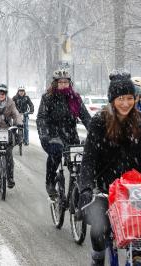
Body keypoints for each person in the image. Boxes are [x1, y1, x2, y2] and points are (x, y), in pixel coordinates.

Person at [78, 71, 141, 265]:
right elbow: (89, 160)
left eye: (130, 98)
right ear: (112, 100)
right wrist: (86, 187)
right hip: (105, 187)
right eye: (121, 98)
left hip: (133, 188)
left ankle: (137, 255)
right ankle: (98, 258)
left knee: (139, 229)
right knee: (98, 228)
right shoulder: (99, 122)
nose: (126, 103)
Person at [36, 69, 91, 197]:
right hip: (52, 136)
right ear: (55, 83)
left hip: (71, 136)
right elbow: (41, 118)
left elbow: (86, 117)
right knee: (55, 153)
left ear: (70, 83)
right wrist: (44, 134)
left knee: (78, 163)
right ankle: (50, 182)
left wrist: (94, 131)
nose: (63, 84)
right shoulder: (48, 98)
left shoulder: (75, 98)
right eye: (60, 82)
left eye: (66, 82)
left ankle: (77, 190)